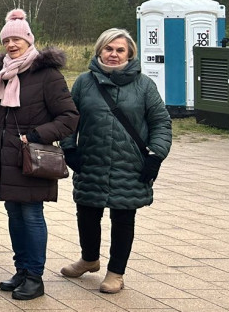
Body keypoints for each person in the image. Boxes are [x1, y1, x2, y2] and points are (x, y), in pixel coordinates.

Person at [60, 28, 171, 294]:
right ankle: (89, 259)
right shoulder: (84, 82)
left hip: (130, 164)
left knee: (123, 217)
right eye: (108, 49)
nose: (113, 54)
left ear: (130, 53)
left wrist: (156, 155)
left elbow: (161, 122)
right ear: (99, 50)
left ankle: (116, 272)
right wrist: (68, 149)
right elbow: (69, 119)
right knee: (87, 212)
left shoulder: (144, 85)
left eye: (120, 50)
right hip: (91, 160)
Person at [0, 9, 79, 301]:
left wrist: (34, 136)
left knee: (32, 215)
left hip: (32, 157)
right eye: (7, 40)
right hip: (5, 158)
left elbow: (69, 117)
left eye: (17, 39)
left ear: (28, 39)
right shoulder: (1, 74)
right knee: (14, 213)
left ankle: (35, 277)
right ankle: (21, 270)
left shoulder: (47, 74)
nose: (11, 45)